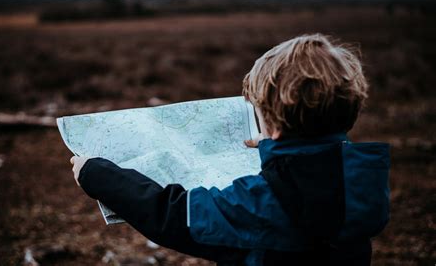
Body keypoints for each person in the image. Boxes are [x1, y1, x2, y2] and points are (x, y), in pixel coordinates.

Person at [70, 34, 390, 265]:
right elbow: (314, 175)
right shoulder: (362, 183)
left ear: (274, 123)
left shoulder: (261, 201)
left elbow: (173, 216)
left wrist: (95, 174)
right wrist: (276, 149)